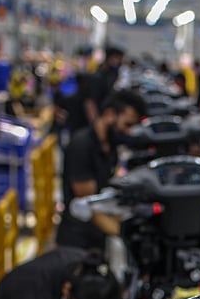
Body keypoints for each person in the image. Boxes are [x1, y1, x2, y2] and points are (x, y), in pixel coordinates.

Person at [56, 89, 148, 254]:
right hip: (77, 241)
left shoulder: (110, 144)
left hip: (97, 236)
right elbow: (88, 200)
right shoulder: (81, 145)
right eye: (127, 125)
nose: (128, 132)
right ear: (109, 114)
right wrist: (123, 232)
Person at [85, 44, 125, 124]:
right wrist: (95, 123)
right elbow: (90, 103)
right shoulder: (98, 77)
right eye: (117, 59)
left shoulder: (111, 76)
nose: (119, 63)